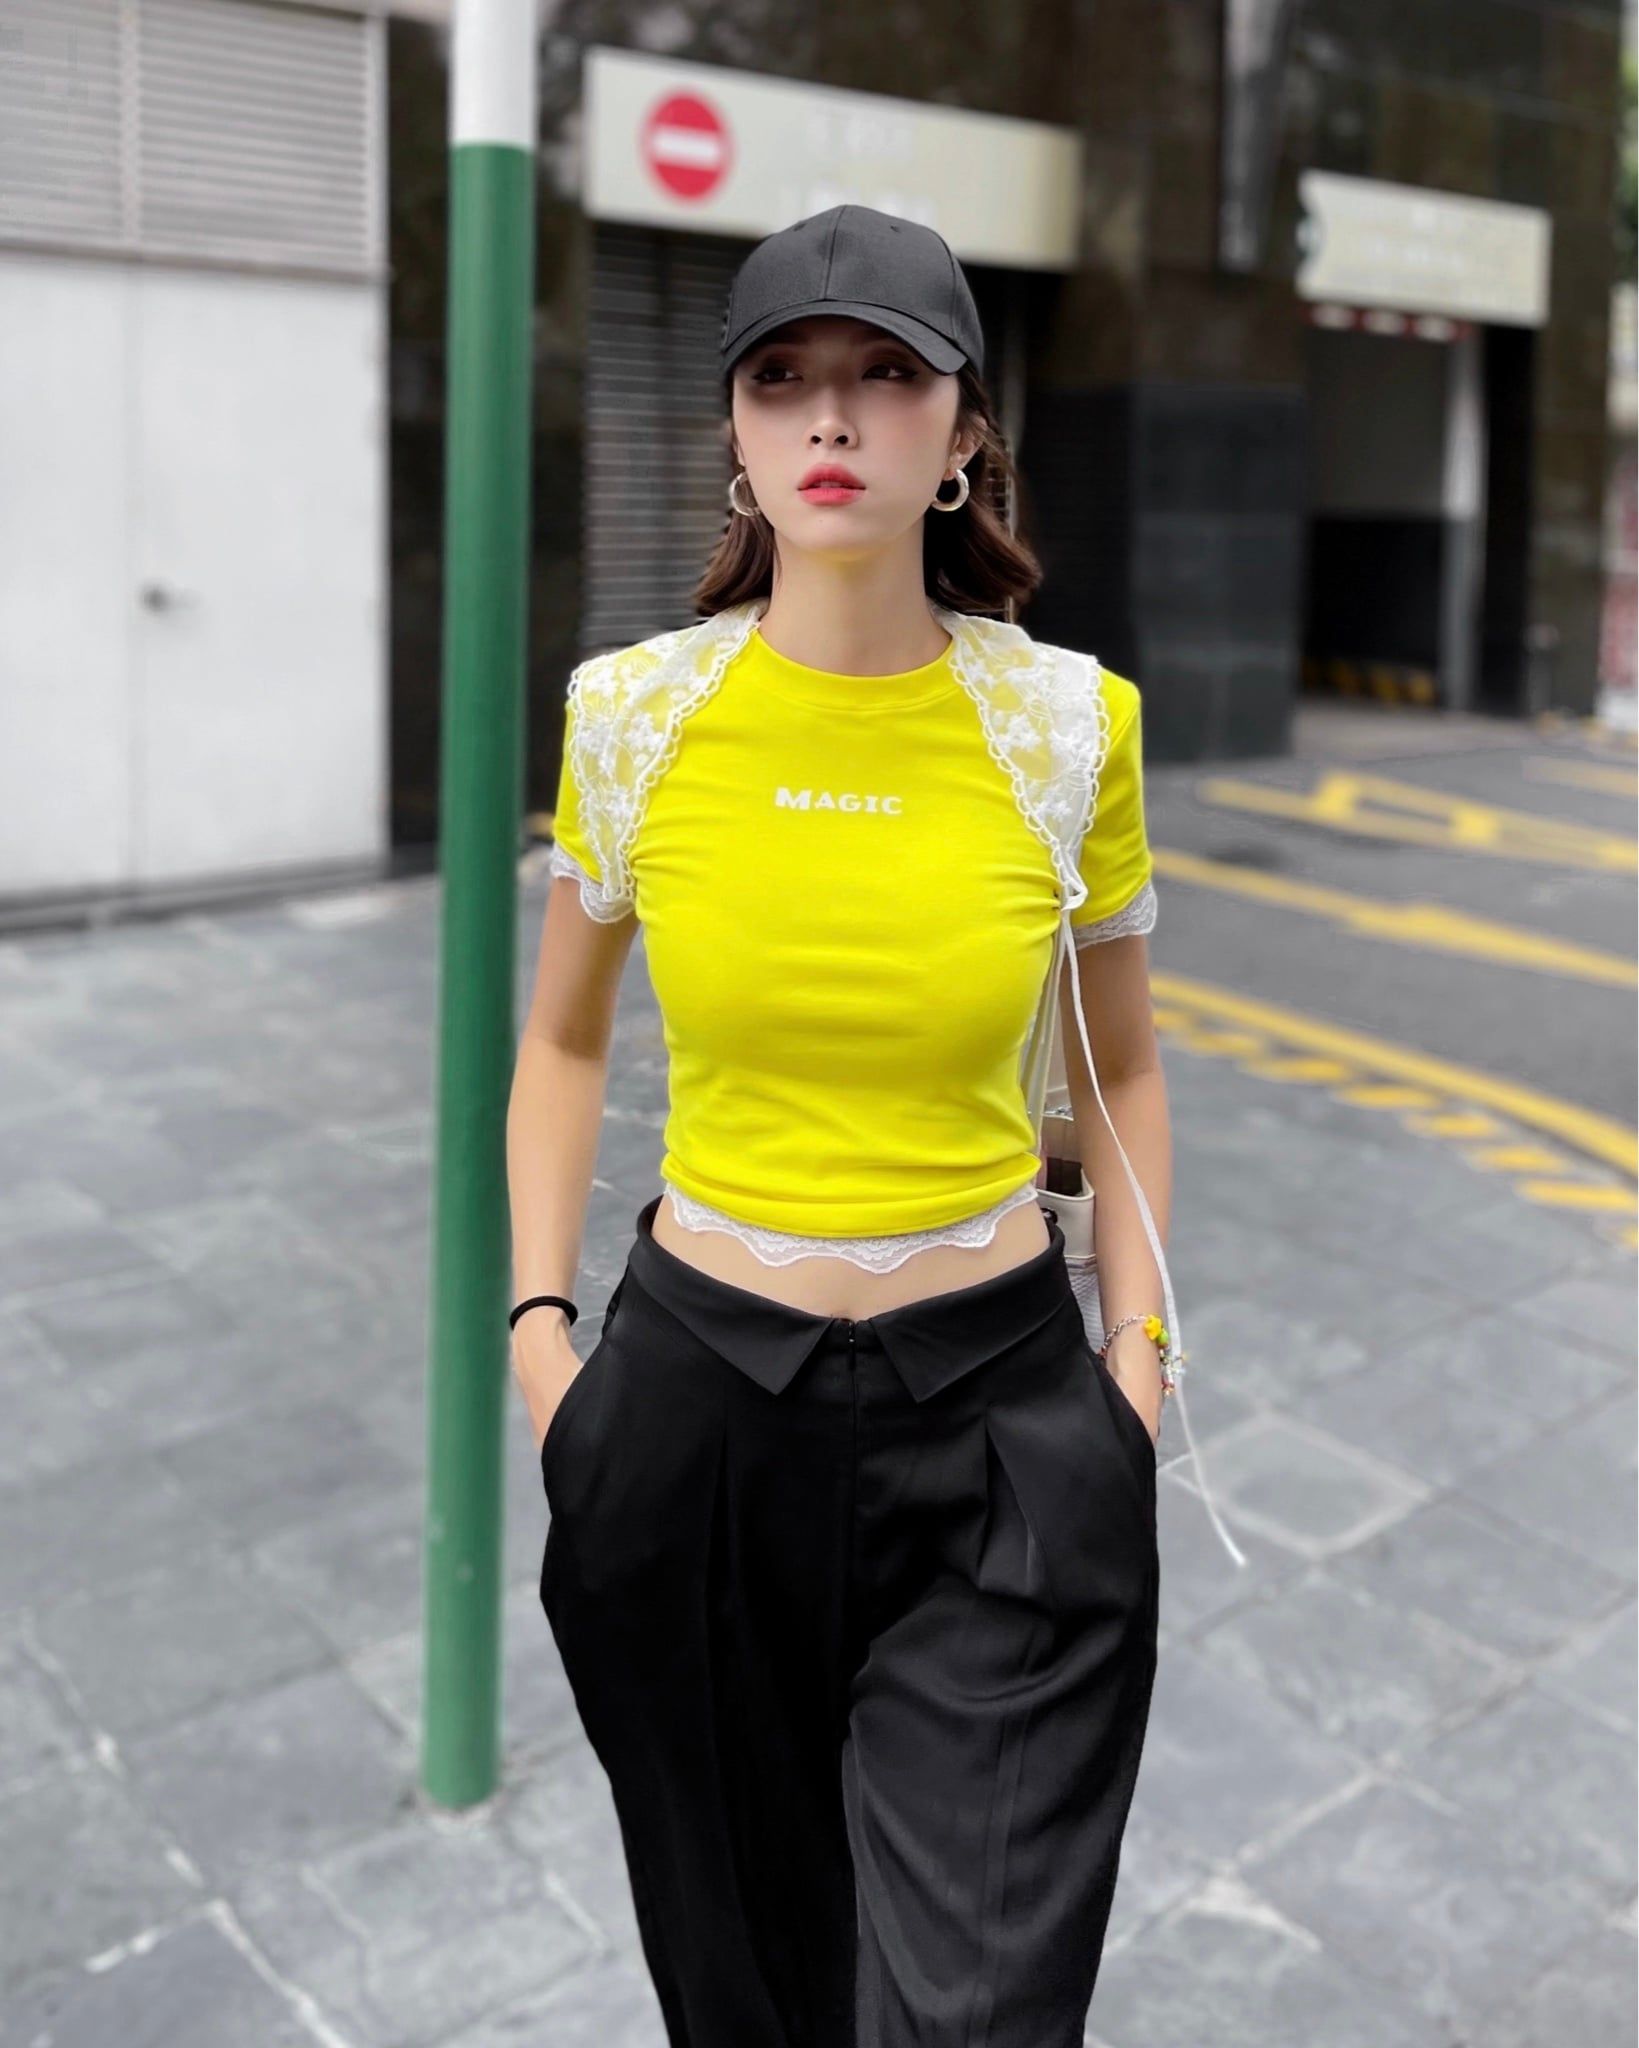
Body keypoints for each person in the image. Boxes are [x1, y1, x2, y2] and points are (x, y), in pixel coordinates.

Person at [508, 203, 1234, 2048]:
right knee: (742, 1989)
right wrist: (545, 1349)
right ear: (737, 435)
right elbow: (564, 1045)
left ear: (963, 430)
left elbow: (1126, 1073)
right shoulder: (633, 716)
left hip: (1004, 1425)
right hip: (687, 1419)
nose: (831, 416)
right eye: (782, 377)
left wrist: (1133, 1381)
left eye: (886, 374)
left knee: (978, 2012)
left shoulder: (1066, 726)